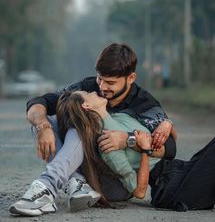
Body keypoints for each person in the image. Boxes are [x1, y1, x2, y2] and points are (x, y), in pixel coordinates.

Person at [9, 43, 176, 214]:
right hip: (88, 166)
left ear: (131, 78)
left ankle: (47, 186)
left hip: (116, 181)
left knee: (84, 121)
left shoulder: (145, 104)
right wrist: (42, 127)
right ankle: (77, 183)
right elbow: (41, 102)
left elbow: (170, 148)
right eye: (100, 79)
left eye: (110, 82)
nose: (102, 87)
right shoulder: (89, 87)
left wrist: (128, 140)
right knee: (49, 122)